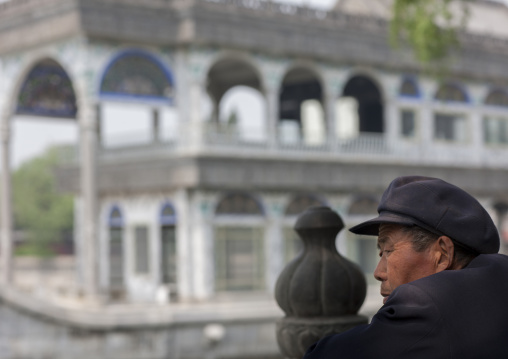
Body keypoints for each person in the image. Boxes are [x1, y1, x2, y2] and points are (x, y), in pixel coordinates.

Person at [303, 176, 508, 359]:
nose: (378, 272)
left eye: (389, 250)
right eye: (380, 253)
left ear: (442, 254)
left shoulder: (425, 305)